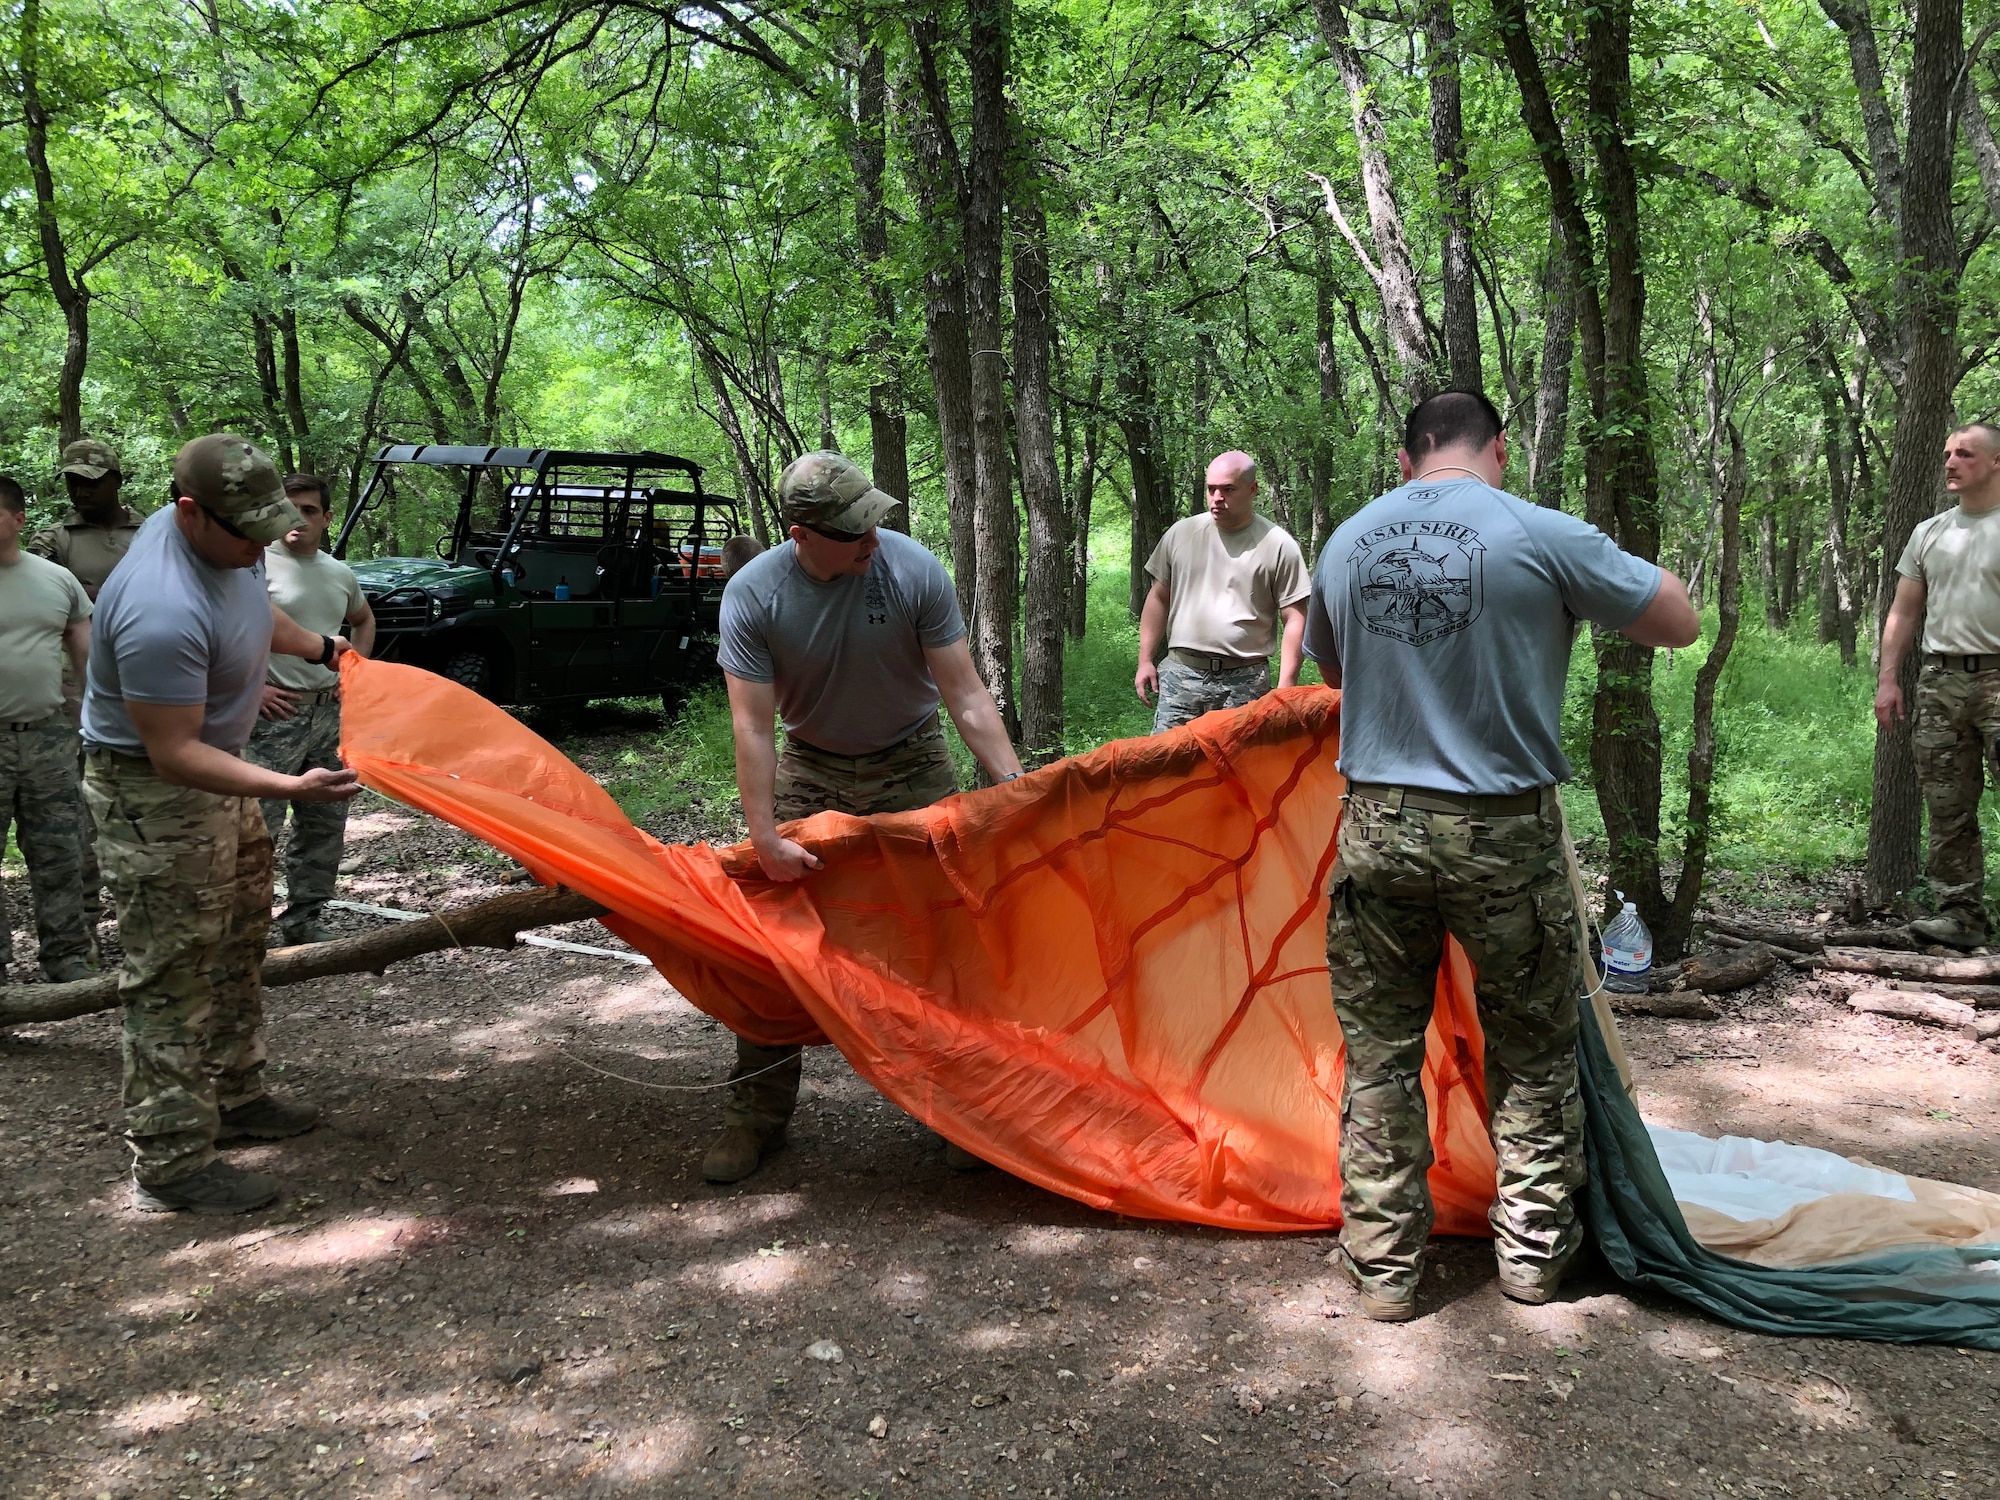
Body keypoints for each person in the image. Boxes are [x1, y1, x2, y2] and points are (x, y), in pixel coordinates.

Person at [1305, 390, 1697, 1321]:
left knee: (1381, 1054)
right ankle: (1529, 1259)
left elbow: (1331, 672)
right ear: (1499, 450)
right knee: (1530, 1046)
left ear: (1408, 460)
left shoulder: (1344, 541)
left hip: (1379, 827)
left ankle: (1384, 1270)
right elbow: (1677, 620)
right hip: (1503, 831)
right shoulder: (1542, 532)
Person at [708, 450, 1024, 1184]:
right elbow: (752, 728)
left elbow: (966, 694)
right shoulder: (754, 596)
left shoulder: (912, 570)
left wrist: (1010, 786)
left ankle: (961, 1112)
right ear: (802, 535)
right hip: (810, 766)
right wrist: (763, 836)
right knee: (775, 946)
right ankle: (756, 1115)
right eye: (854, 534)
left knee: (940, 939)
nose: (872, 542)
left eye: (874, 525)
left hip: (912, 762)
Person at [82, 433, 363, 1216]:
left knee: (239, 940)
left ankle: (237, 1096)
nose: (261, 546)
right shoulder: (156, 606)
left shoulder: (224, 550)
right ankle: (169, 1161)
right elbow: (171, 754)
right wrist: (289, 785)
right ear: (187, 513)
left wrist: (322, 648)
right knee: (171, 971)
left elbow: (250, 611)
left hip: (224, 776)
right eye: (247, 532)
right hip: (157, 799)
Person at [1875, 421, 2000, 950]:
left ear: (1995, 463)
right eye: (1948, 453)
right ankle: (1960, 915)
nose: (1951, 462)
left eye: (1965, 454)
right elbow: (1904, 613)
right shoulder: (1930, 532)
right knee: (1948, 804)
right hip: (1940, 681)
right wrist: (1888, 679)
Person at [243, 475, 376, 945]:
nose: (298, 518)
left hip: (327, 715)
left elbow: (363, 619)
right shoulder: (253, 564)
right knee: (257, 826)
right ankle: (247, 929)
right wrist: (251, 686)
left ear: (326, 517)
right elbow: (228, 630)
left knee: (324, 821)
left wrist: (354, 675)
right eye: (289, 507)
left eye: (309, 510)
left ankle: (304, 919)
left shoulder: (338, 573)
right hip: (272, 714)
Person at [29, 437, 145, 922]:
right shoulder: (55, 539)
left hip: (146, 674)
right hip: (76, 685)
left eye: (91, 481)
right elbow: (46, 593)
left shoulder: (152, 530)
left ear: (116, 480)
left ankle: (143, 896)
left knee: (146, 788)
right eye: (73, 482)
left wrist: (100, 592)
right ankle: (85, 907)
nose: (81, 491)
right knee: (78, 797)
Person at [1136, 451, 1310, 733]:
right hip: (1182, 675)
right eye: (1211, 488)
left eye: (1228, 489)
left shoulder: (1278, 545)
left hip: (1245, 680)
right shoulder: (1182, 534)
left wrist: (1286, 686)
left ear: (1252, 490)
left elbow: (1295, 617)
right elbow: (1158, 597)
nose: (1217, 497)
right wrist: (1145, 659)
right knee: (1167, 768)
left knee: (1240, 771)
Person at [0, 474, 95, 984]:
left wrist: (94, 722)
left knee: (60, 851)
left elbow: (86, 655)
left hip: (48, 736)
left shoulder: (56, 581)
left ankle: (67, 958)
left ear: (18, 520)